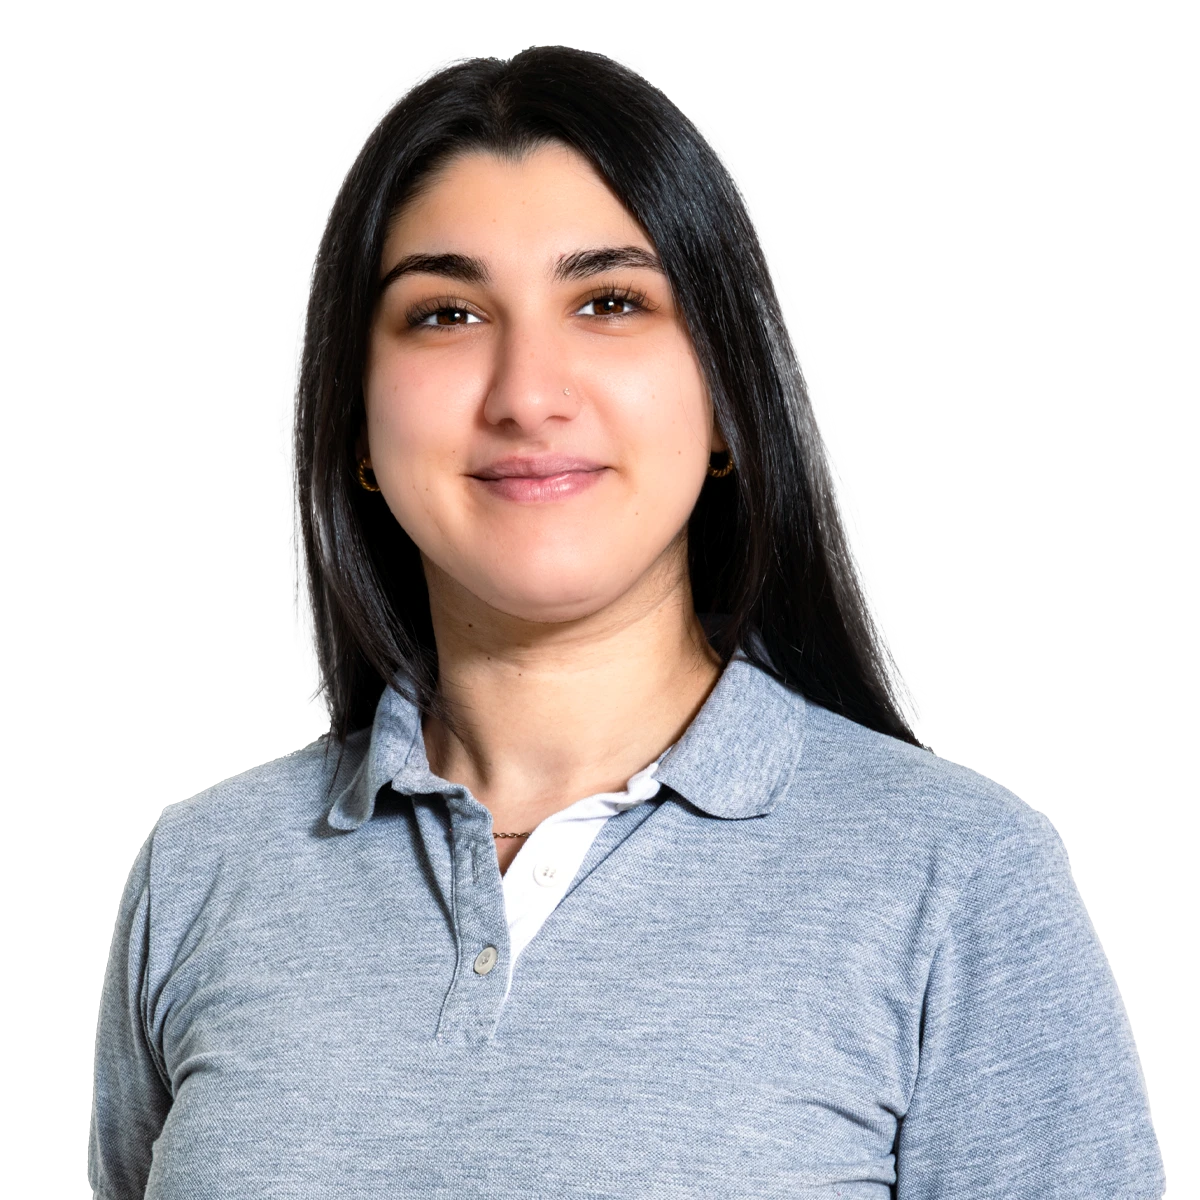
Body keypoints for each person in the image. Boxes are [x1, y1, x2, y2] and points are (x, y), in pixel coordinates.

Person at [88, 45, 1164, 1200]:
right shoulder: (205, 871)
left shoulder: (953, 875)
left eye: (609, 303)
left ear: (727, 399)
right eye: (446, 313)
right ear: (356, 420)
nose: (527, 394)